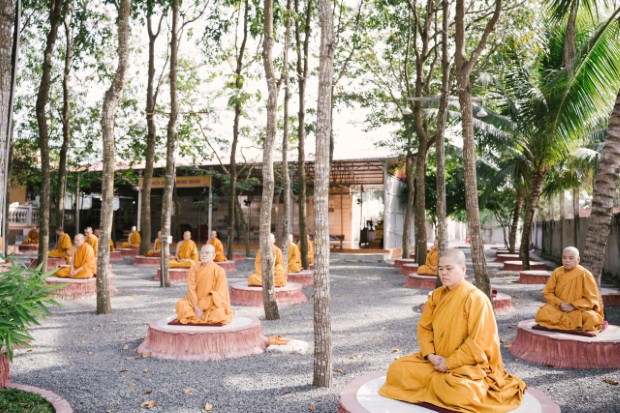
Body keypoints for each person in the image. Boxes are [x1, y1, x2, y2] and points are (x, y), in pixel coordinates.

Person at [379, 249, 526, 413]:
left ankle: (438, 386)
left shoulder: (476, 299)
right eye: (440, 268)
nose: (443, 273)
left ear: (462, 269)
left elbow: (478, 343)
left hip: (466, 366)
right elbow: (425, 328)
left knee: (462, 392)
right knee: (396, 369)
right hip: (435, 361)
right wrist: (430, 355)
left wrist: (448, 363)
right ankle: (437, 385)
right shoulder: (436, 296)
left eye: (449, 269)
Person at [535, 246, 604, 332]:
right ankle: (574, 324)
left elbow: (591, 299)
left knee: (592, 318)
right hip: (558, 308)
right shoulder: (557, 273)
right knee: (542, 313)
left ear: (578, 260)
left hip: (578, 310)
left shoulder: (585, 274)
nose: (567, 260)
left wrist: (573, 306)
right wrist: (560, 304)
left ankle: (566, 322)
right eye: (564, 258)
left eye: (571, 258)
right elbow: (548, 293)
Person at [175, 244, 234, 325]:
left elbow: (218, 294)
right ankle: (201, 316)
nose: (203, 255)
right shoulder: (194, 268)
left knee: (220, 313)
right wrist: (196, 307)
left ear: (213, 255)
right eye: (202, 252)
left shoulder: (219, 271)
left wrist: (201, 307)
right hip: (194, 303)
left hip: (211, 304)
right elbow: (191, 289)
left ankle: (197, 316)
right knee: (181, 304)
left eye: (207, 253)